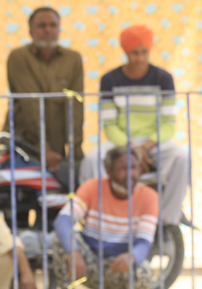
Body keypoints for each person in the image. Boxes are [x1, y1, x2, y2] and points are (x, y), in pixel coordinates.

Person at [77, 25, 189, 226]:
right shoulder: (110, 80)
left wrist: (145, 147)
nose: (140, 58)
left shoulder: (164, 79)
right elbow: (110, 126)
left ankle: (166, 221)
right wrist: (132, 148)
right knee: (92, 160)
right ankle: (99, 218)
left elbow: (168, 125)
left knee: (182, 157)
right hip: (122, 142)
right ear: (125, 52)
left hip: (154, 143)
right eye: (134, 53)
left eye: (144, 52)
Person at [53, 145, 155, 289]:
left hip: (119, 266)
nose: (130, 174)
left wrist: (132, 256)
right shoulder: (91, 187)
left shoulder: (149, 197)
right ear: (109, 171)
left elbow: (144, 242)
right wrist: (74, 251)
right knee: (61, 240)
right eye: (122, 168)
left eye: (133, 168)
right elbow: (63, 220)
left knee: (143, 272)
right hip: (88, 264)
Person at [4, 7, 84, 173]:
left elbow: (76, 105)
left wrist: (75, 149)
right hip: (22, 143)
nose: (48, 30)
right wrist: (43, 149)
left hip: (57, 145)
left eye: (53, 25)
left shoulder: (73, 59)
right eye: (42, 25)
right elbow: (30, 104)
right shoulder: (19, 57)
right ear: (30, 31)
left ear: (59, 29)